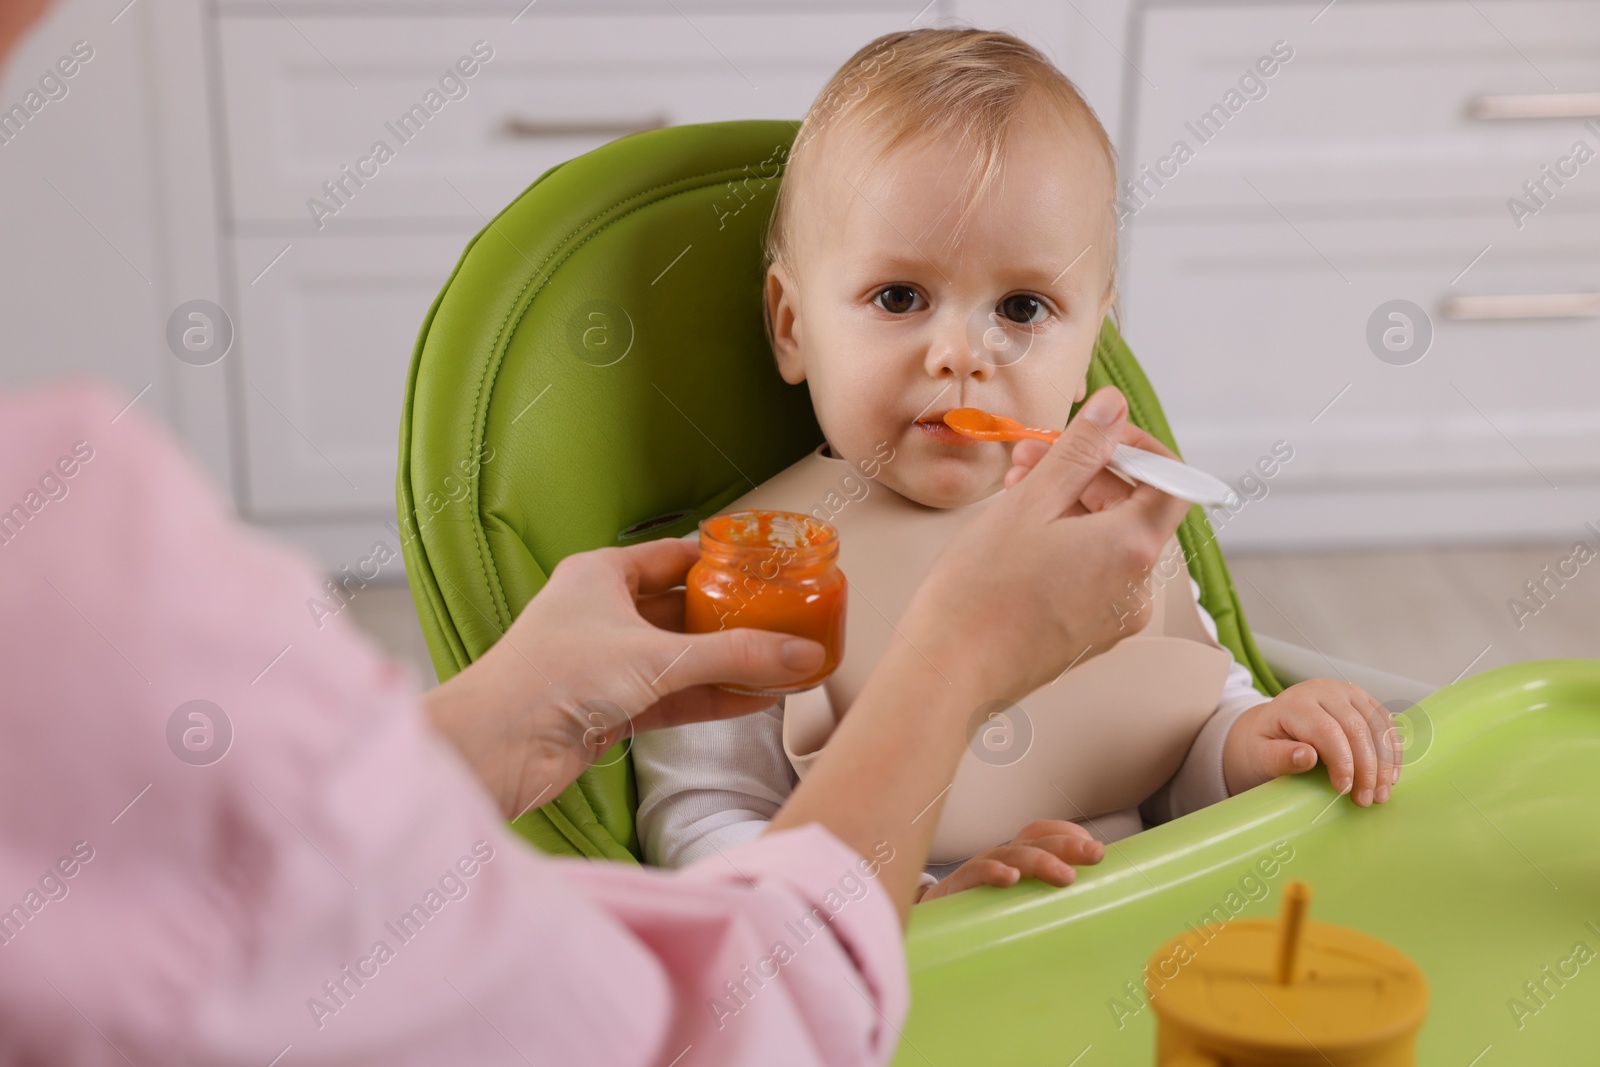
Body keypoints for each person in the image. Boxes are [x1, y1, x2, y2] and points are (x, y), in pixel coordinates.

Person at [633, 28, 1400, 903]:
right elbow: (704, 822)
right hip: (909, 981)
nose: (963, 352)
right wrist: (909, 900)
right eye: (899, 297)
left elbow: (1180, 733)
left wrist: (1256, 741)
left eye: (1024, 306)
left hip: (1146, 931)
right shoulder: (742, 571)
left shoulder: (1115, 523)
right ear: (793, 326)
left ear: (1091, 348)